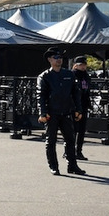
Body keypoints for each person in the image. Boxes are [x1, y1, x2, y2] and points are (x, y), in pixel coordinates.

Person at [37, 48, 85, 176]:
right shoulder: (45, 76)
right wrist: (42, 112)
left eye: (60, 57)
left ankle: (72, 165)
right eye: (55, 57)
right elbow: (40, 95)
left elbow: (76, 93)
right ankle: (53, 166)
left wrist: (78, 109)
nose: (59, 60)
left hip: (66, 111)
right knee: (51, 141)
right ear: (49, 59)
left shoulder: (69, 74)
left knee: (70, 139)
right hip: (51, 113)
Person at [70, 55, 92, 161]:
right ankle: (69, 151)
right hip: (74, 106)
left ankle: (79, 151)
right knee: (72, 129)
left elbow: (87, 89)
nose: (83, 67)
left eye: (84, 65)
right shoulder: (72, 75)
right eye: (81, 65)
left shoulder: (86, 76)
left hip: (83, 104)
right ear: (76, 65)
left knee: (82, 130)